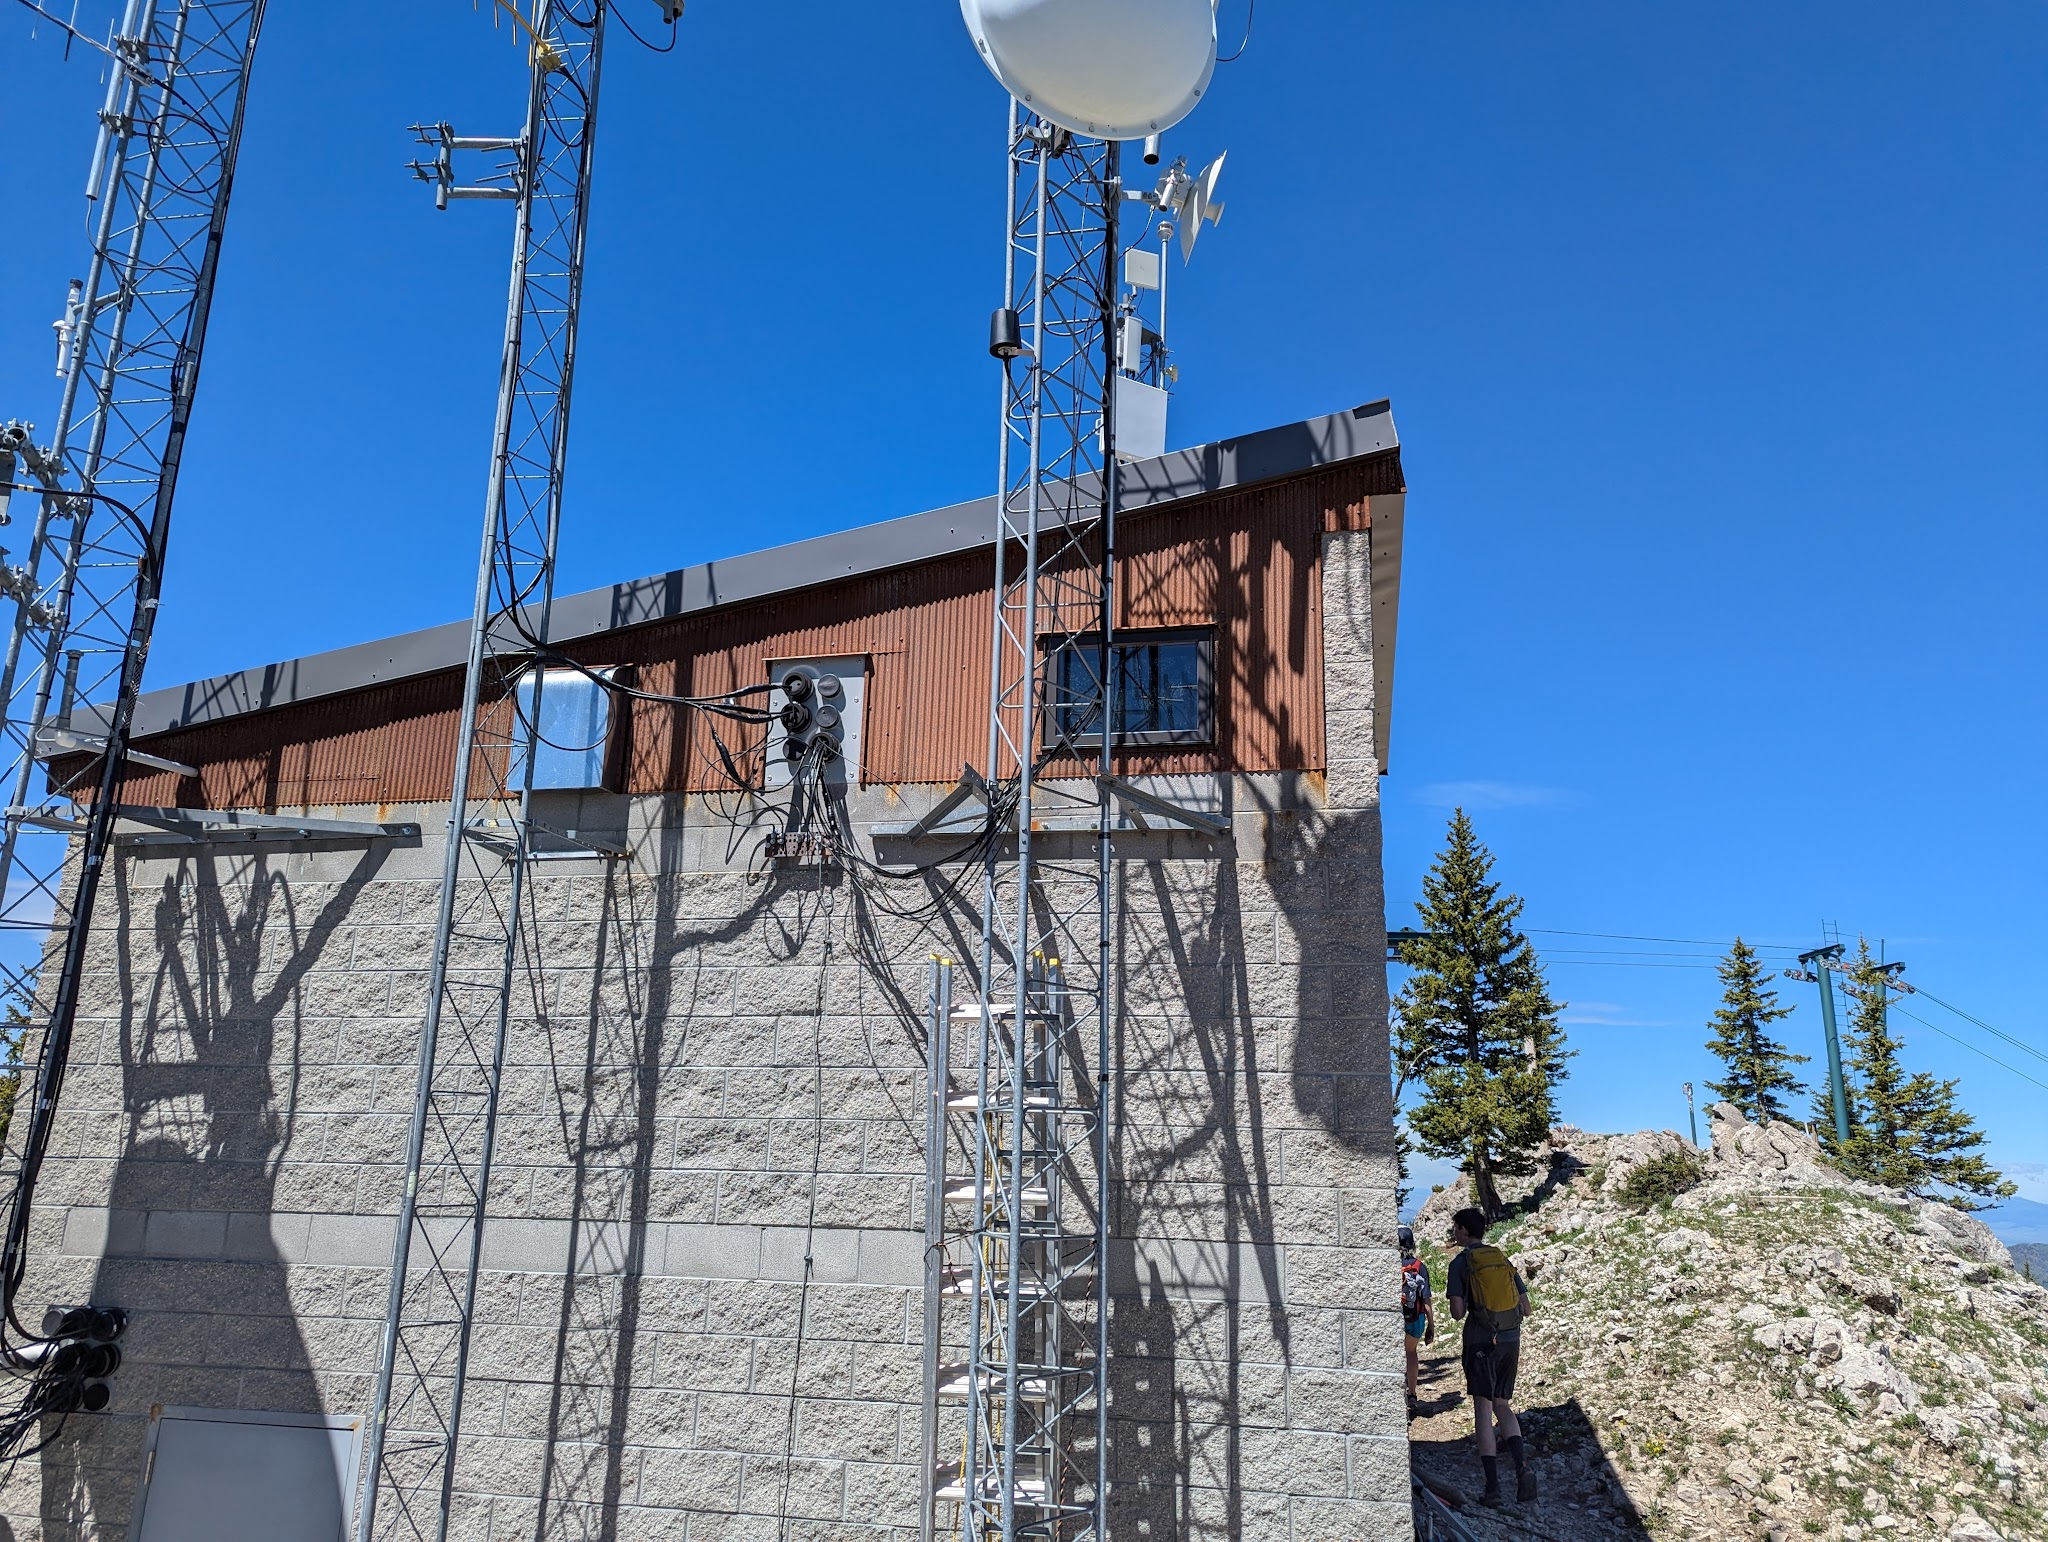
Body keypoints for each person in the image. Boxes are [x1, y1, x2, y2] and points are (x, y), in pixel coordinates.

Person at [1445, 1206, 1536, 1508]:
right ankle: (1523, 1468)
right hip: (1511, 1339)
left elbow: (1457, 1313)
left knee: (1483, 1410)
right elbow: (1526, 1308)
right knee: (1503, 1405)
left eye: (1456, 1228)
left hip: (1481, 1342)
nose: (1455, 1233)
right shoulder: (1501, 1258)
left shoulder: (1461, 1263)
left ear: (1464, 1231)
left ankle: (1493, 1488)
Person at [1398, 1223, 1435, 1412]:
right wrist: (1431, 1326)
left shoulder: (1388, 1266)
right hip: (1415, 1319)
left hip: (1396, 1318)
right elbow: (1426, 1299)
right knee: (1411, 1352)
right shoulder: (1419, 1267)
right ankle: (1412, 1393)